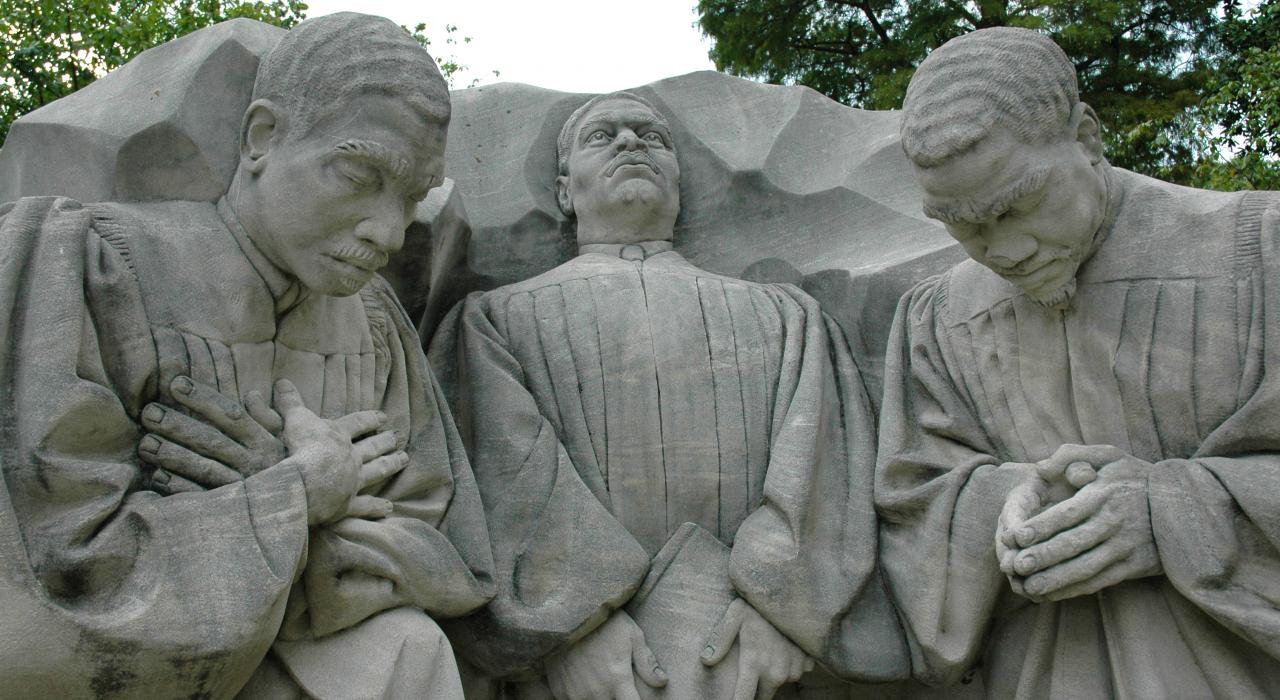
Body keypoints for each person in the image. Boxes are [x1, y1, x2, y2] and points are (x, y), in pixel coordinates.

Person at [0, 13, 492, 699]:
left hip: (334, 664)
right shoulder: (91, 265)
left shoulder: (377, 325)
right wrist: (297, 497)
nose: (387, 231)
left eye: (411, 199)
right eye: (359, 172)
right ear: (263, 136)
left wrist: (279, 506)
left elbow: (441, 551)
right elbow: (57, 569)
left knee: (407, 647)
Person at [429, 91, 907, 699]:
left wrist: (782, 610)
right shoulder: (492, 321)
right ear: (563, 191)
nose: (632, 143)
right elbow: (500, 480)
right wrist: (569, 626)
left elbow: (823, 471)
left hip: (758, 661)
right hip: (580, 671)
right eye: (602, 136)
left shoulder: (789, 316)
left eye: (652, 137)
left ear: (683, 184)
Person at [880, 26, 1280, 697]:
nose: (1003, 249)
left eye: (1019, 205)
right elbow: (917, 502)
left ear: (1086, 139)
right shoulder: (937, 320)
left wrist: (1171, 513)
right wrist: (1011, 504)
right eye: (964, 224)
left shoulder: (1259, 253)